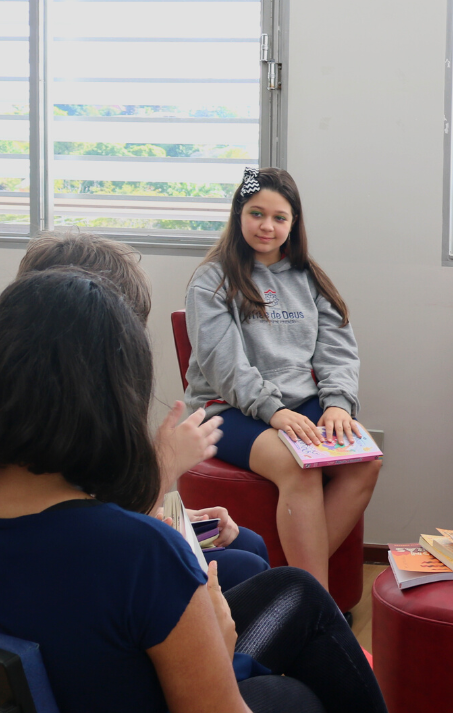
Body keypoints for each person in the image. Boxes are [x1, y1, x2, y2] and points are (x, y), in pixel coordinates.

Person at [0, 269, 453, 713]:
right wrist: (217, 644)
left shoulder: (121, 546)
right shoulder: (139, 554)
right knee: (324, 692)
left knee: (295, 593)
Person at [16, 230, 270, 591]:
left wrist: (175, 517)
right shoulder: (47, 415)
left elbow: (107, 503)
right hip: (76, 574)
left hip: (103, 543)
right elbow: (93, 537)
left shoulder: (85, 400)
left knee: (247, 541)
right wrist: (165, 466)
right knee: (251, 568)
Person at [184, 167, 379, 591]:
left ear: (294, 223)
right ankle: (312, 606)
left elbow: (338, 350)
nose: (267, 226)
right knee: (299, 465)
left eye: (279, 217)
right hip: (228, 407)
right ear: (239, 215)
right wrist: (273, 411)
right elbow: (222, 363)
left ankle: (290, 589)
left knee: (365, 463)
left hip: (301, 402)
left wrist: (338, 404)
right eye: (256, 214)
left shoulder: (309, 278)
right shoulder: (211, 278)